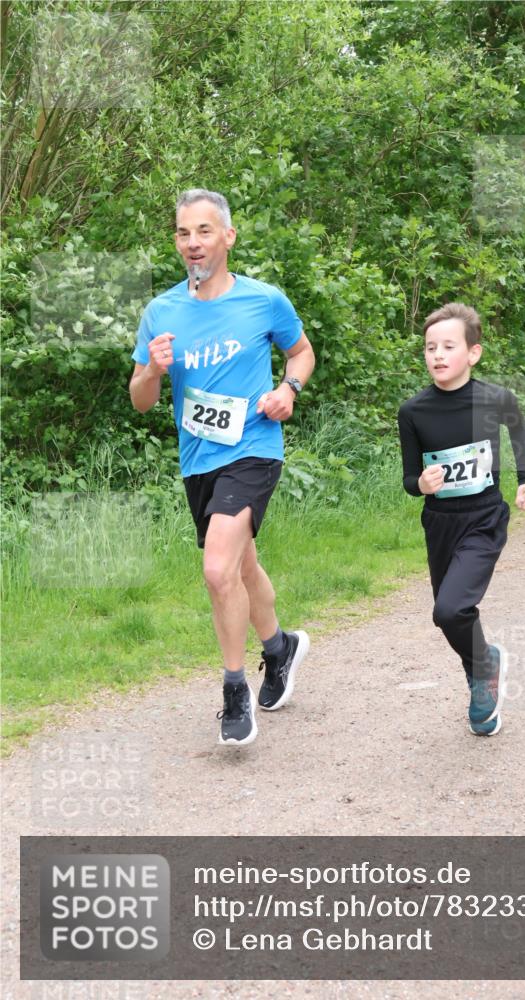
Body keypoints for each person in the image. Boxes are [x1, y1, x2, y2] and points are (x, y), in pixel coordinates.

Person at [129, 188, 315, 747]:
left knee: (216, 571)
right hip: (198, 460)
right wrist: (153, 372)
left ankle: (235, 692)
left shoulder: (264, 301)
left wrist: (289, 389)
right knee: (240, 568)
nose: (193, 243)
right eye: (184, 233)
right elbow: (139, 399)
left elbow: (302, 352)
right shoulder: (161, 312)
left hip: (254, 448)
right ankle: (280, 647)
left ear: (228, 236)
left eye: (204, 231)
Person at [398, 302, 525, 736]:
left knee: (451, 606)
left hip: (483, 517)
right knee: (450, 615)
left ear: (473, 353)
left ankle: (482, 677)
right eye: (429, 348)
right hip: (440, 521)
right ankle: (485, 666)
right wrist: (421, 484)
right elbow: (408, 477)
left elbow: (519, 431)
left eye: (448, 346)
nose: (437, 355)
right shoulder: (414, 411)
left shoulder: (494, 398)